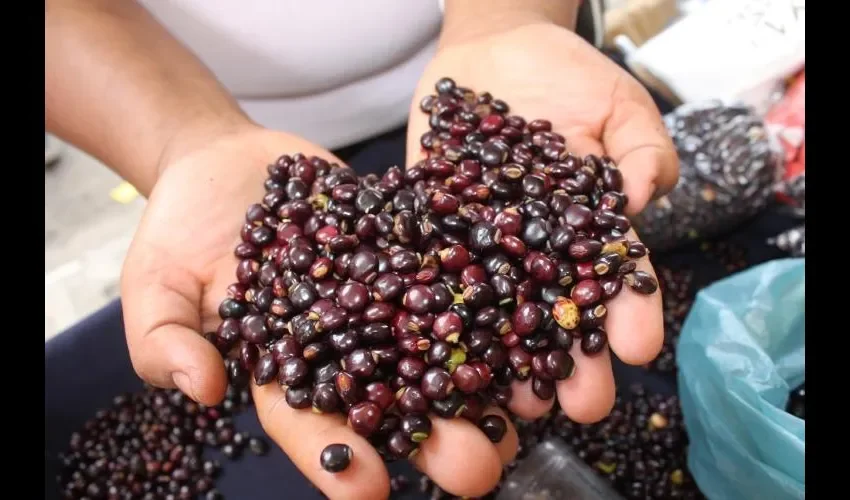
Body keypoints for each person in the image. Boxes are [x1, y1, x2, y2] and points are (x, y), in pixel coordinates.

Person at [45, 1, 679, 498]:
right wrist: (182, 139)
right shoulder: (320, 280)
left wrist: (510, 18)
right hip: (203, 98)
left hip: (508, 52)